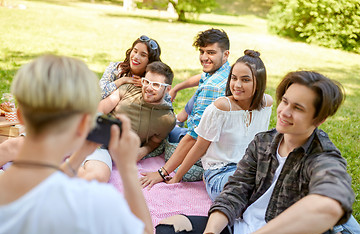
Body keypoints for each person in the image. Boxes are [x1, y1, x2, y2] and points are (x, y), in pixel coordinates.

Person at [155, 70, 354, 234]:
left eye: (298, 108)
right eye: (285, 102)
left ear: (319, 119)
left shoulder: (324, 157)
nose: (284, 112)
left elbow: (330, 205)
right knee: (169, 230)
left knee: (323, 233)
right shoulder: (263, 142)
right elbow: (235, 191)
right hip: (241, 228)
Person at [0, 54, 153, 234]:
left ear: (20, 116)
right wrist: (128, 169)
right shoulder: (96, 202)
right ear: (83, 125)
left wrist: (79, 156)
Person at [167, 50, 273, 201]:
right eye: (234, 78)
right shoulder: (221, 107)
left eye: (245, 80)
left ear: (259, 82)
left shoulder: (266, 104)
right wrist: (177, 177)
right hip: (220, 172)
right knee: (245, 189)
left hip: (248, 168)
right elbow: (199, 146)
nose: (237, 85)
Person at [140, 28, 231, 188]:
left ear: (226, 54)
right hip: (225, 145)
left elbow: (193, 138)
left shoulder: (211, 88)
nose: (204, 57)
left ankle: (176, 124)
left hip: (207, 152)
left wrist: (163, 173)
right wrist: (177, 88)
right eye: (202, 52)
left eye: (210, 53)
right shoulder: (228, 73)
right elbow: (202, 77)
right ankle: (179, 121)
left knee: (168, 130)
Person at [77, 61, 176, 182]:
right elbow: (100, 109)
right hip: (92, 132)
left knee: (97, 178)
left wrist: (143, 151)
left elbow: (154, 142)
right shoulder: (129, 89)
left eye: (156, 85)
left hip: (105, 149)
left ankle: (61, 170)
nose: (149, 88)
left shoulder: (167, 119)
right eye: (146, 82)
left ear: (167, 89)